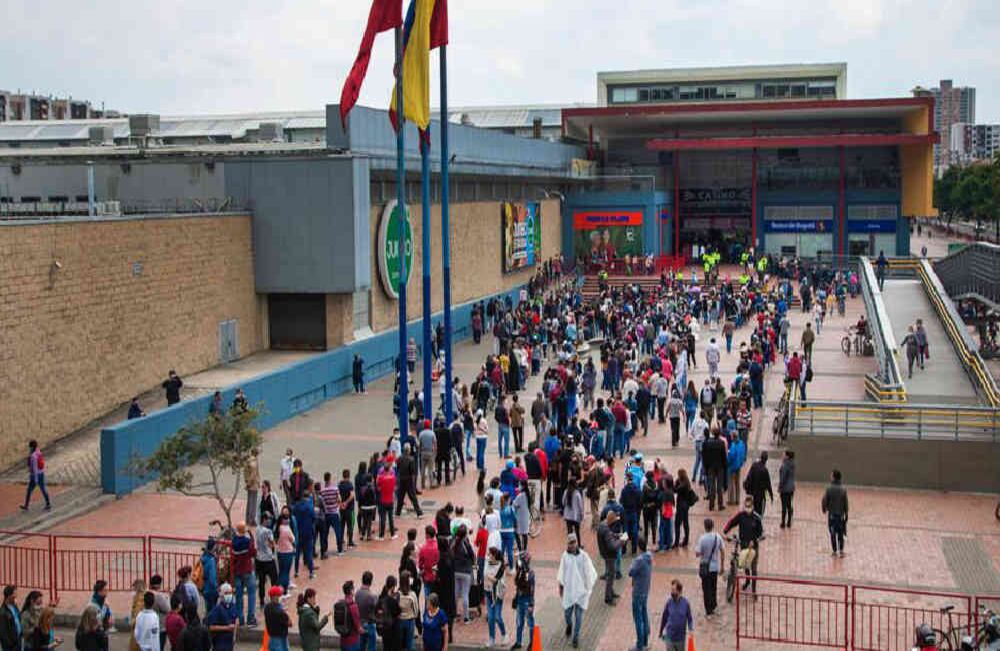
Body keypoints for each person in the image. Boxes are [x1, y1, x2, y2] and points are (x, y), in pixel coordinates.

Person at [556, 533, 597, 649]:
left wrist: (588, 587)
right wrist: (561, 587)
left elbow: (589, 571)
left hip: (581, 592)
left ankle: (575, 638)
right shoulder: (564, 556)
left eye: (574, 542)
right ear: (568, 544)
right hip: (569, 591)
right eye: (570, 543)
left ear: (577, 543)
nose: (573, 545)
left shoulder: (584, 556)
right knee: (567, 614)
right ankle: (569, 625)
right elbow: (561, 572)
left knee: (578, 617)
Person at [723, 497, 764, 595]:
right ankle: (747, 580)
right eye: (746, 506)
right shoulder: (741, 515)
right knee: (745, 565)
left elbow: (761, 533)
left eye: (749, 506)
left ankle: (754, 589)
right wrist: (725, 531)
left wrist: (755, 541)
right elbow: (732, 522)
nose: (747, 508)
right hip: (743, 544)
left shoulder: (757, 518)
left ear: (753, 506)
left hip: (753, 547)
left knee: (753, 568)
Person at [695, 519, 725, 617]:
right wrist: (722, 566)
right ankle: (713, 605)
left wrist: (703, 552)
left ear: (705, 526)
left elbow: (697, 553)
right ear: (713, 526)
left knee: (706, 588)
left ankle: (708, 609)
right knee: (713, 587)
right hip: (714, 567)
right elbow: (722, 551)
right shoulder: (718, 537)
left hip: (705, 566)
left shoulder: (702, 539)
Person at [596, 510, 626, 606]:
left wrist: (617, 535)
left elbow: (609, 535)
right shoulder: (606, 529)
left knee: (609, 574)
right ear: (610, 520)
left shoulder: (602, 526)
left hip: (604, 553)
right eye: (613, 521)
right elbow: (612, 546)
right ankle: (608, 597)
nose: (614, 523)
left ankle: (611, 592)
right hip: (610, 555)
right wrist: (621, 541)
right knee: (611, 576)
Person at [230, 523, 257, 626]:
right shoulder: (247, 541)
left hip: (237, 572)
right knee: (251, 594)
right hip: (247, 571)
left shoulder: (234, 542)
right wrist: (251, 536)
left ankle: (240, 619)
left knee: (239, 596)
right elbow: (253, 553)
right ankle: (250, 618)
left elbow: (232, 559)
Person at [627, 536, 652, 651]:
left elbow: (631, 572)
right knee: (644, 615)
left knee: (638, 618)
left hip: (638, 592)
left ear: (638, 547)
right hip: (645, 591)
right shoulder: (649, 557)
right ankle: (645, 641)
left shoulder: (640, 560)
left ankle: (640, 645)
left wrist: (633, 563)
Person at [658, 580, 694, 651]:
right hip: (669, 637)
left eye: (673, 590)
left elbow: (690, 619)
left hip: (680, 638)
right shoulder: (669, 603)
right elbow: (664, 618)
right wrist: (661, 631)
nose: (672, 592)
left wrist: (690, 629)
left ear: (679, 591)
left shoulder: (686, 604)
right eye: (671, 590)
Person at [483, 547, 508, 647]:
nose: (488, 556)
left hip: (497, 595)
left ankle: (504, 635)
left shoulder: (500, 567)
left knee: (497, 617)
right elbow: (485, 574)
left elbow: (495, 580)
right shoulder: (487, 562)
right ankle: (491, 638)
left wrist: (490, 577)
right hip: (488, 592)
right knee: (490, 618)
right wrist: (490, 577)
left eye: (490, 554)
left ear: (494, 556)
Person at [821, 469, 849, 557]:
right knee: (840, 532)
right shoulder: (843, 489)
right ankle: (841, 550)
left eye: (831, 475)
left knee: (832, 532)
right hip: (840, 514)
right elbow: (846, 502)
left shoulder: (829, 488)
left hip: (832, 514)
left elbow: (824, 500)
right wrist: (846, 513)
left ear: (833, 477)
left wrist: (824, 509)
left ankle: (834, 550)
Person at [511, 551, 535, 650]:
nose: (518, 563)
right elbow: (517, 586)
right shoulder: (520, 572)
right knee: (519, 622)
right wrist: (516, 599)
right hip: (520, 599)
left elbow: (532, 589)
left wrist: (531, 604)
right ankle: (518, 642)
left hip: (527, 600)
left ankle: (532, 642)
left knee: (530, 622)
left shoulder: (530, 573)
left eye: (519, 561)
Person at [204, 584, 238, 651]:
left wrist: (234, 635)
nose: (229, 595)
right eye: (226, 593)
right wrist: (226, 628)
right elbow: (211, 627)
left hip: (229, 643)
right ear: (221, 595)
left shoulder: (233, 606)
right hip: (220, 643)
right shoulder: (217, 609)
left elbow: (236, 619)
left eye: (230, 593)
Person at [20, 441, 51, 512]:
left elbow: (34, 468)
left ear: (31, 447)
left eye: (30, 447)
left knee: (29, 490)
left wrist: (35, 478)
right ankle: (48, 504)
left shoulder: (33, 456)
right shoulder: (38, 452)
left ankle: (26, 505)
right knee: (43, 489)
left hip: (35, 476)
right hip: (41, 473)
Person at [701, 428, 727, 511]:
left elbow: (705, 456)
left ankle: (711, 505)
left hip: (711, 467)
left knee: (712, 486)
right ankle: (720, 504)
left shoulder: (708, 443)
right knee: (719, 486)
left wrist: (706, 466)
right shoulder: (721, 443)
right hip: (719, 467)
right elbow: (724, 457)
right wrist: (724, 466)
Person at [743, 451, 774, 518]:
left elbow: (749, 477)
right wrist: (771, 495)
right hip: (760, 495)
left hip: (752, 492)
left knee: (751, 509)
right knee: (759, 511)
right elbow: (768, 484)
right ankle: (757, 524)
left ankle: (751, 521)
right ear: (766, 459)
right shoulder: (765, 470)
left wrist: (746, 486)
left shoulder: (754, 465)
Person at [335, 581, 363, 651]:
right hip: (353, 642)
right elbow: (358, 626)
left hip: (343, 640)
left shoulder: (340, 604)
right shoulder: (353, 606)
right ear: (351, 591)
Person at [263, 586, 291, 651]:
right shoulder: (280, 612)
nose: (280, 597)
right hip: (281, 638)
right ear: (275, 597)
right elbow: (290, 623)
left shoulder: (267, 607)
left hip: (272, 637)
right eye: (279, 595)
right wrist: (285, 612)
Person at [356, 572, 378, 651]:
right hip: (369, 624)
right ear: (371, 582)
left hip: (360, 624)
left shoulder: (357, 594)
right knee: (371, 647)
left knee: (361, 646)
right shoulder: (371, 596)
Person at [397, 573, 419, 651]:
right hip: (410, 620)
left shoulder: (397, 594)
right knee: (410, 644)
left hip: (399, 620)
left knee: (399, 644)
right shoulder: (412, 595)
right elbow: (416, 611)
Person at [778, 450, 796, 529]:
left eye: (784, 454)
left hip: (785, 488)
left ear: (787, 456)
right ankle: (789, 521)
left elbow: (783, 478)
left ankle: (783, 522)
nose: (782, 455)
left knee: (783, 505)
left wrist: (780, 487)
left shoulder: (785, 465)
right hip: (791, 487)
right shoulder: (792, 464)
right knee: (789, 504)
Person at [1, 586, 20, 651]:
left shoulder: (15, 607)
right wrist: (11, 645)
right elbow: (3, 633)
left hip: (18, 643)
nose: (16, 596)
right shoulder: (3, 612)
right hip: (11, 647)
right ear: (9, 596)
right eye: (14, 595)